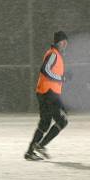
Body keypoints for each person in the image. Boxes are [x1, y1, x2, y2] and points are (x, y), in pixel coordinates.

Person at [25, 31, 70, 161]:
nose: (65, 44)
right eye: (64, 41)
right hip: (48, 93)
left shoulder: (56, 55)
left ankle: (30, 152)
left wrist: (62, 78)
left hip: (47, 92)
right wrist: (61, 78)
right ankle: (41, 146)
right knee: (62, 121)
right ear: (58, 42)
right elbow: (45, 70)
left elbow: (51, 73)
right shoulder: (53, 54)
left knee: (45, 123)